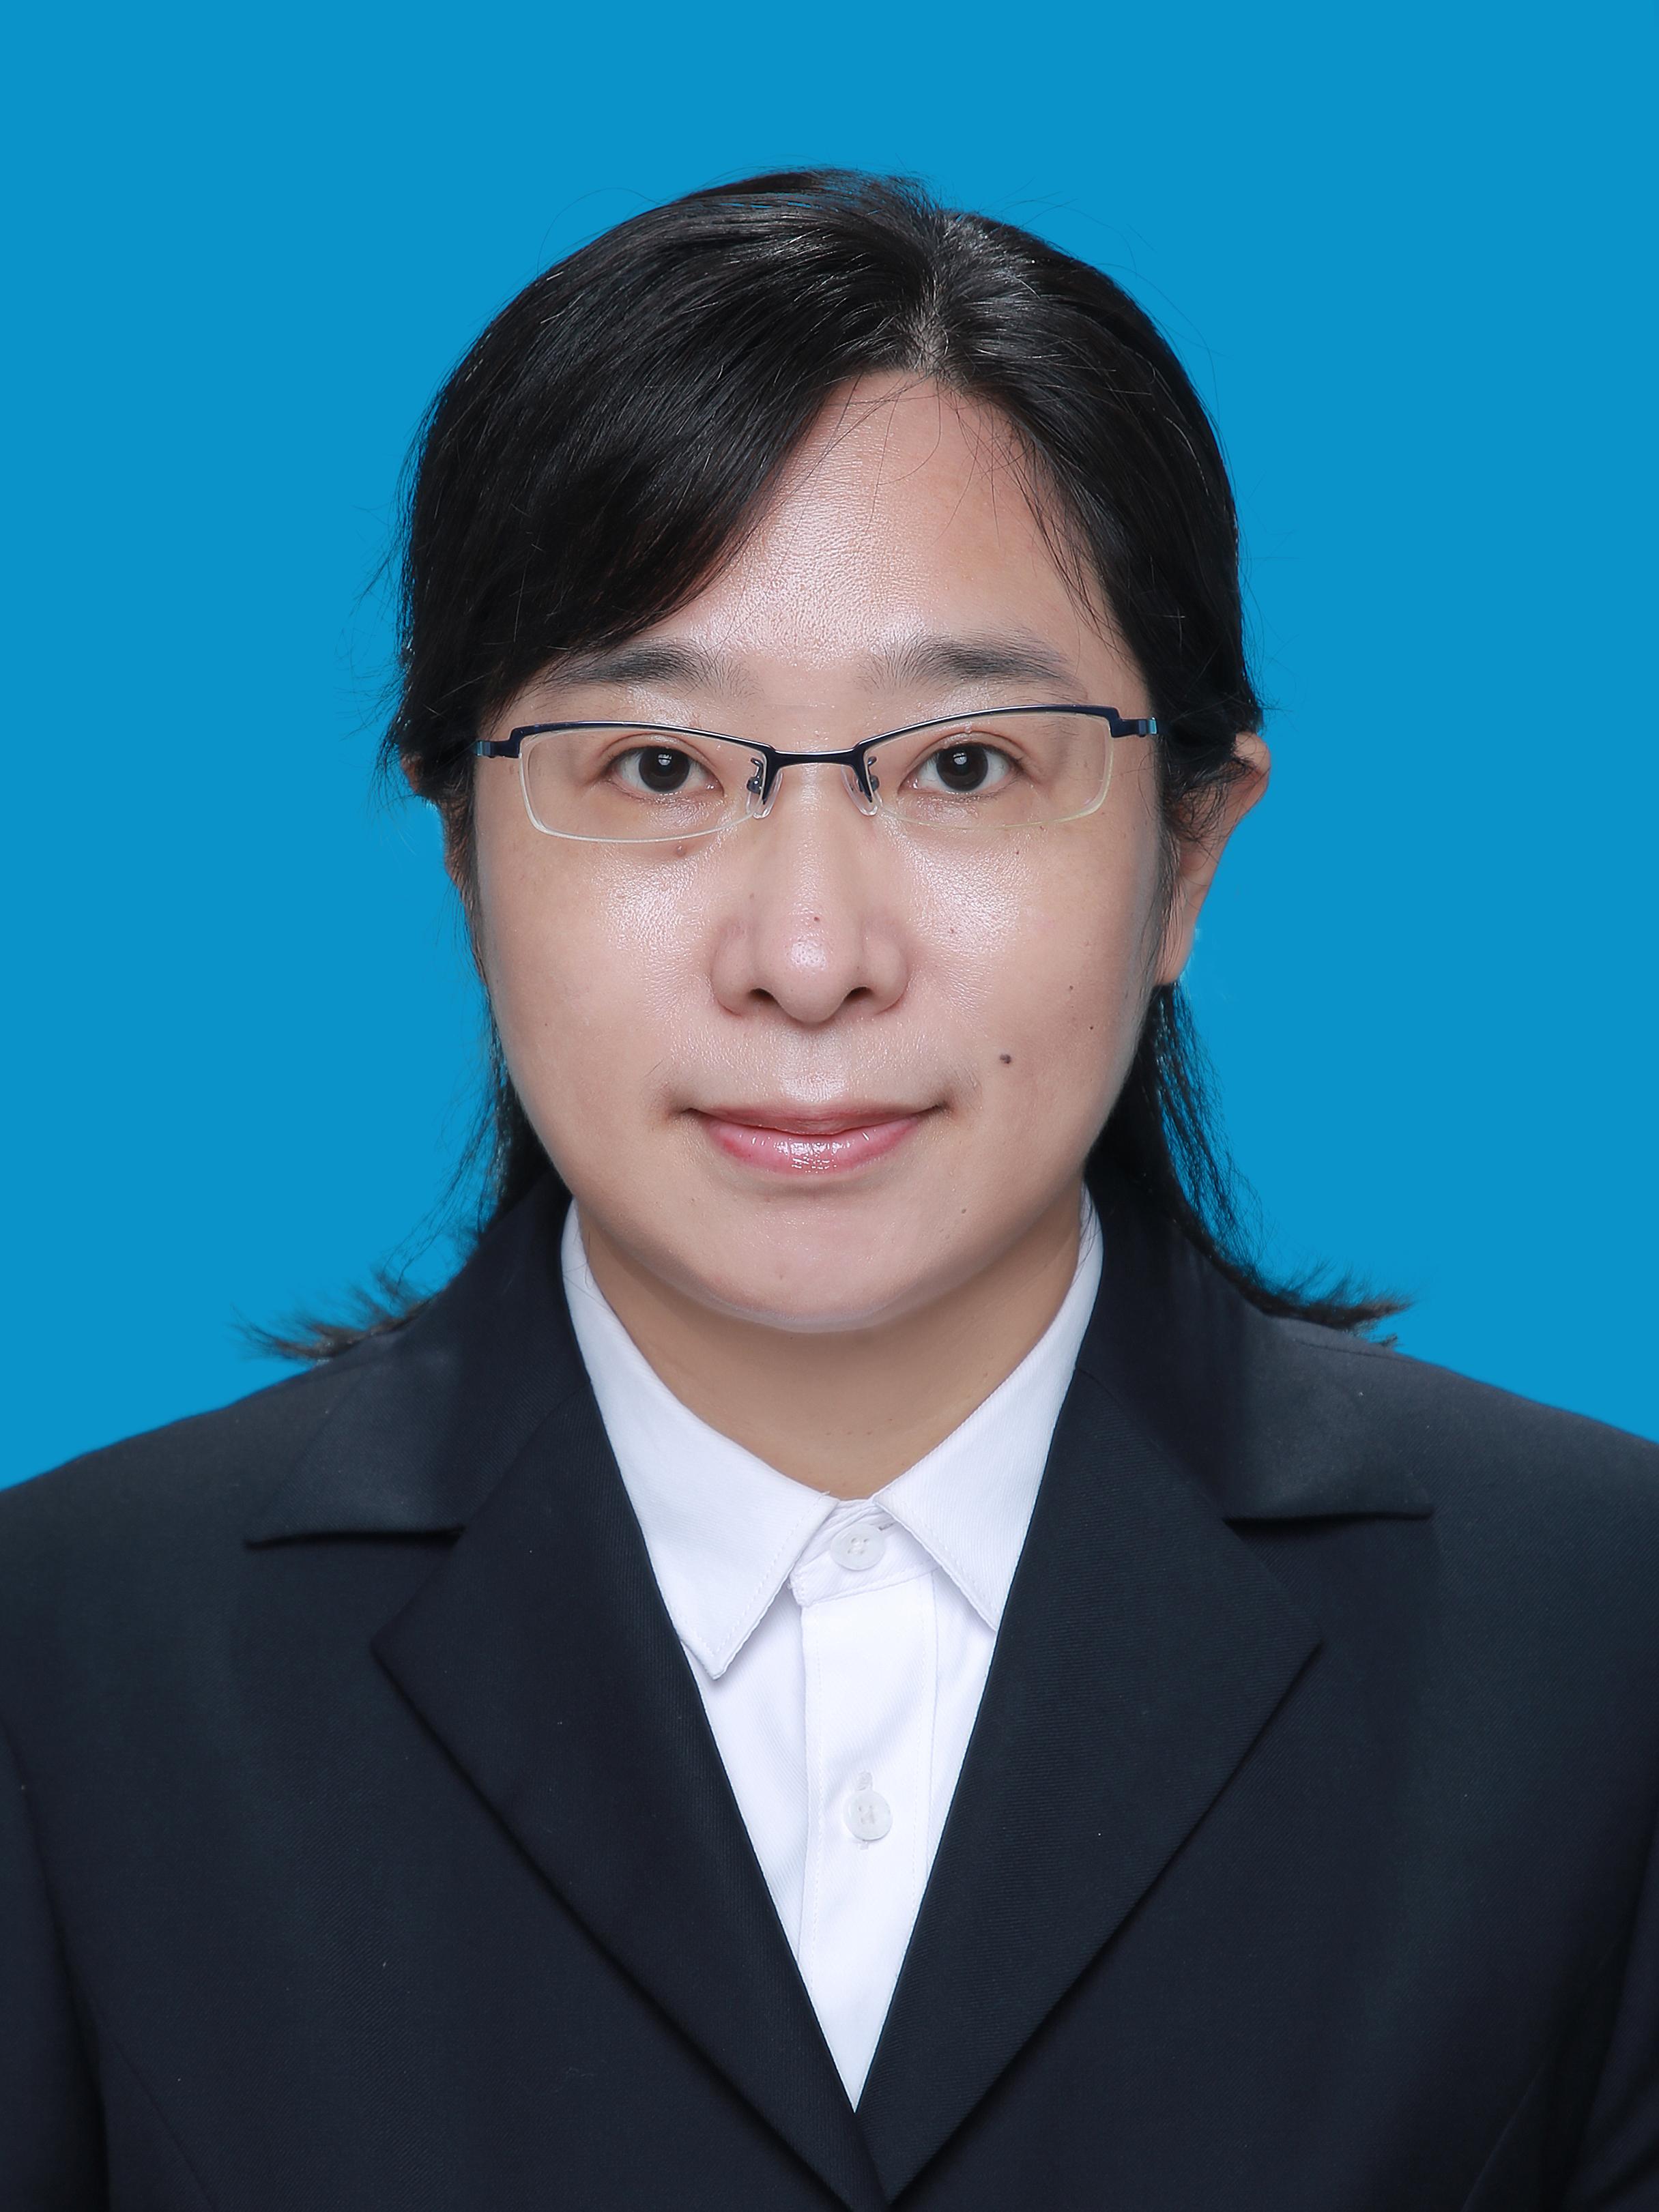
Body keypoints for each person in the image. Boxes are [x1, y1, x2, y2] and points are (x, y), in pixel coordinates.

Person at [3, 170, 1656, 2212]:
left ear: (1190, 850)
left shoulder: (1605, 1639)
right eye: (656, 770)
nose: (806, 955)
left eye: (964, 765)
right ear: (462, 851)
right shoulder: (66, 1661)